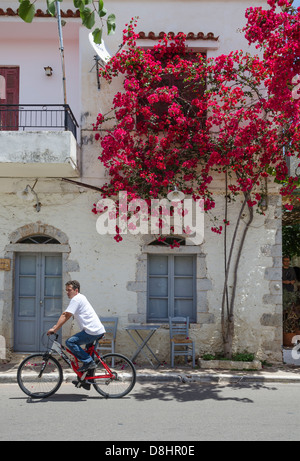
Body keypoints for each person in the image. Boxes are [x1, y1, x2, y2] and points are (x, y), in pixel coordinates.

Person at [47, 280, 105, 373]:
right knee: (88, 354)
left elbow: (66, 315)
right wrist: (56, 326)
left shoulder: (76, 299)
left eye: (69, 290)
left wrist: (55, 329)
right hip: (95, 330)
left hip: (92, 331)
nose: (67, 292)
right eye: (66, 290)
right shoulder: (81, 298)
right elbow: (67, 315)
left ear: (76, 290)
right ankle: (87, 380)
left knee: (70, 342)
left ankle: (89, 362)